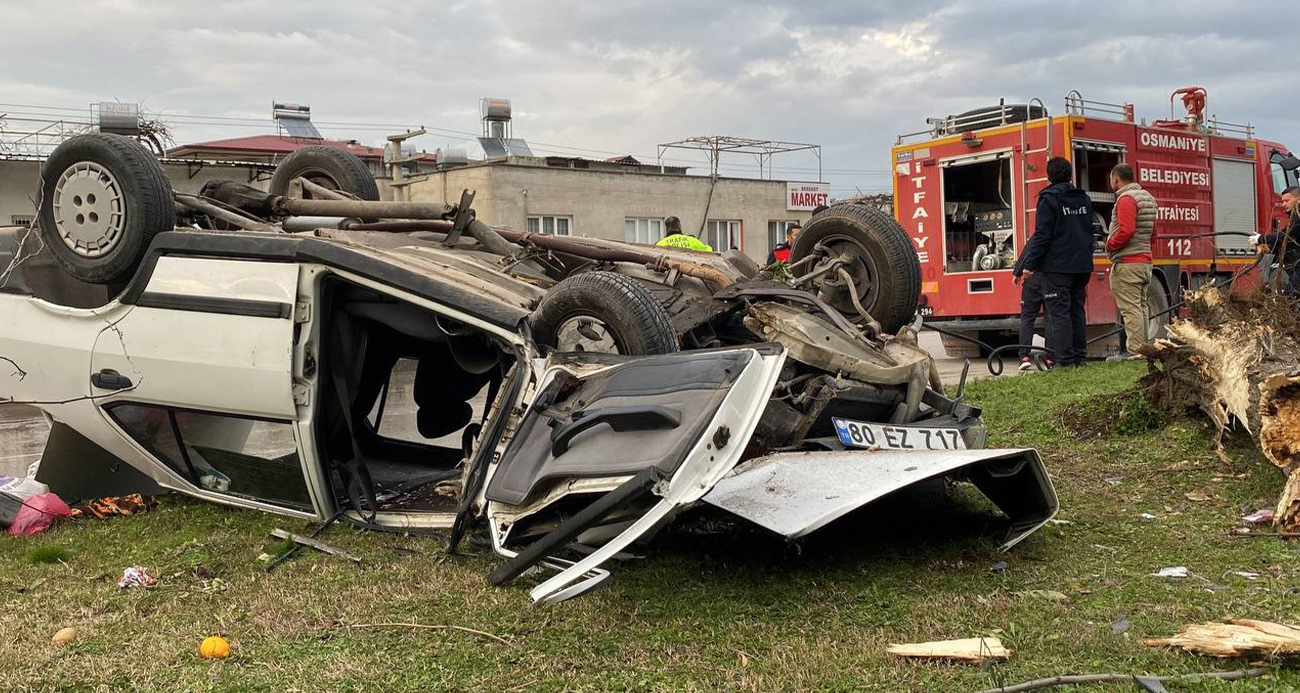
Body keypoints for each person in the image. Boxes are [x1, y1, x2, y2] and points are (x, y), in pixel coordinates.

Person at [1012, 157, 1096, 368]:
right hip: (1082, 265)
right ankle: (1080, 359)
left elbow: (1042, 236)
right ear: (1070, 175)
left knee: (1059, 314)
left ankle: (1064, 362)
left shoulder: (1048, 199)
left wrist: (1029, 265)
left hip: (1058, 267)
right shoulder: (1083, 199)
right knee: (1077, 311)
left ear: (1049, 176)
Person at [1104, 163, 1158, 359]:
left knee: (1131, 308)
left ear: (1116, 179)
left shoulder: (1126, 199)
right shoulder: (1148, 198)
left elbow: (1126, 230)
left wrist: (1110, 244)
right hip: (1144, 261)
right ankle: (1143, 348)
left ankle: (1136, 351)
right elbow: (1153, 233)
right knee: (1141, 306)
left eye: (1111, 179)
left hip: (1128, 262)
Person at [1251, 186, 1300, 295]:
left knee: (1292, 295)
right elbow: (1287, 241)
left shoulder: (1297, 220)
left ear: (1298, 199)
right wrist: (1268, 248)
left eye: (1287, 201)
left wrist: (1261, 238)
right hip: (1294, 268)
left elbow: (1284, 237)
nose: (1283, 204)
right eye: (1282, 201)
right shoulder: (1293, 219)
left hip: (1297, 268)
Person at [1016, 271, 1046, 370]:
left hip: (1032, 280)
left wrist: (1017, 273)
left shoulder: (1032, 254)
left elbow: (1027, 255)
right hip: (1051, 280)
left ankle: (1024, 357)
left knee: (1027, 318)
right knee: (1051, 319)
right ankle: (1051, 358)